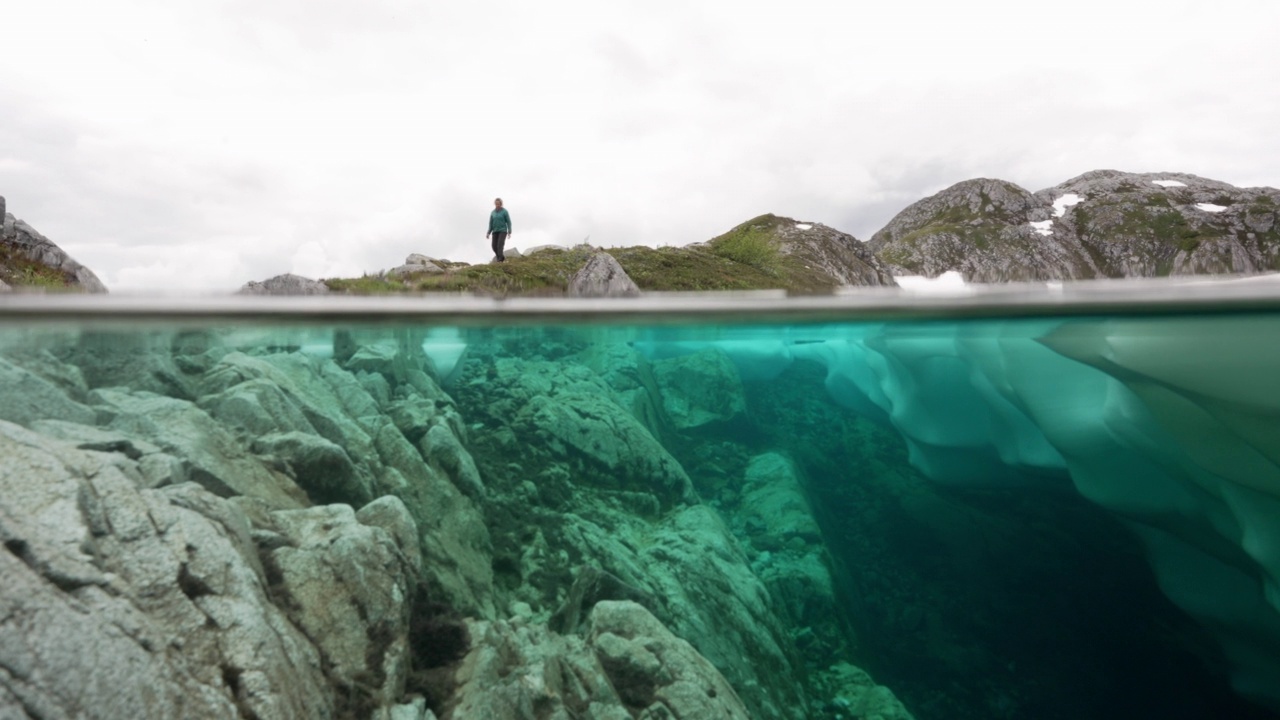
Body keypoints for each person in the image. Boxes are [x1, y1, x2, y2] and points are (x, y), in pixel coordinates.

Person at [486, 198, 512, 262]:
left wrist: (509, 231)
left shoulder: (504, 211)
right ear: (495, 204)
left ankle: (500, 260)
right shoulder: (493, 213)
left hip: (503, 231)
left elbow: (508, 222)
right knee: (494, 246)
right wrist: (488, 232)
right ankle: (501, 257)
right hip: (495, 231)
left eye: (498, 204)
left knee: (500, 245)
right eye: (496, 204)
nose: (497, 205)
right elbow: (490, 223)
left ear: (501, 204)